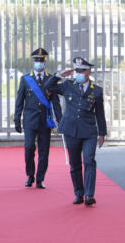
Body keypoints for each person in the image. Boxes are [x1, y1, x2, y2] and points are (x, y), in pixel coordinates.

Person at [45, 57, 107, 206]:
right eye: (77, 70)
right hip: (71, 130)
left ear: (89, 71)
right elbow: (47, 87)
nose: (79, 73)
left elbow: (100, 113)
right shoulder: (67, 85)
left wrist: (102, 133)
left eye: (82, 70)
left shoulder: (96, 90)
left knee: (89, 160)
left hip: (89, 131)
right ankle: (79, 193)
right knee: (75, 164)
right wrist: (59, 75)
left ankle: (89, 195)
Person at [14, 48, 62, 189]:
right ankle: (30, 175)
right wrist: (17, 118)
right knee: (29, 147)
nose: (39, 63)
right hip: (29, 120)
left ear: (45, 61)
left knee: (44, 151)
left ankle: (40, 178)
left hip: (45, 121)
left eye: (41, 60)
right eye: (36, 60)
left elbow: (56, 102)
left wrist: (61, 120)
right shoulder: (25, 79)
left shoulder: (50, 79)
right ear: (32, 61)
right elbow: (19, 100)